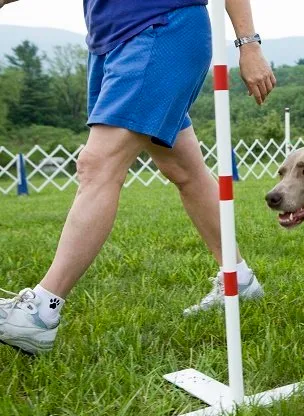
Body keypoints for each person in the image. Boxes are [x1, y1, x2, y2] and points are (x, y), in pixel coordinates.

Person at [0, 0, 276, 354]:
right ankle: (238, 279)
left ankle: (40, 313)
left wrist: (248, 43)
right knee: (183, 169)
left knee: (97, 165)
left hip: (160, 29)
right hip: (109, 41)